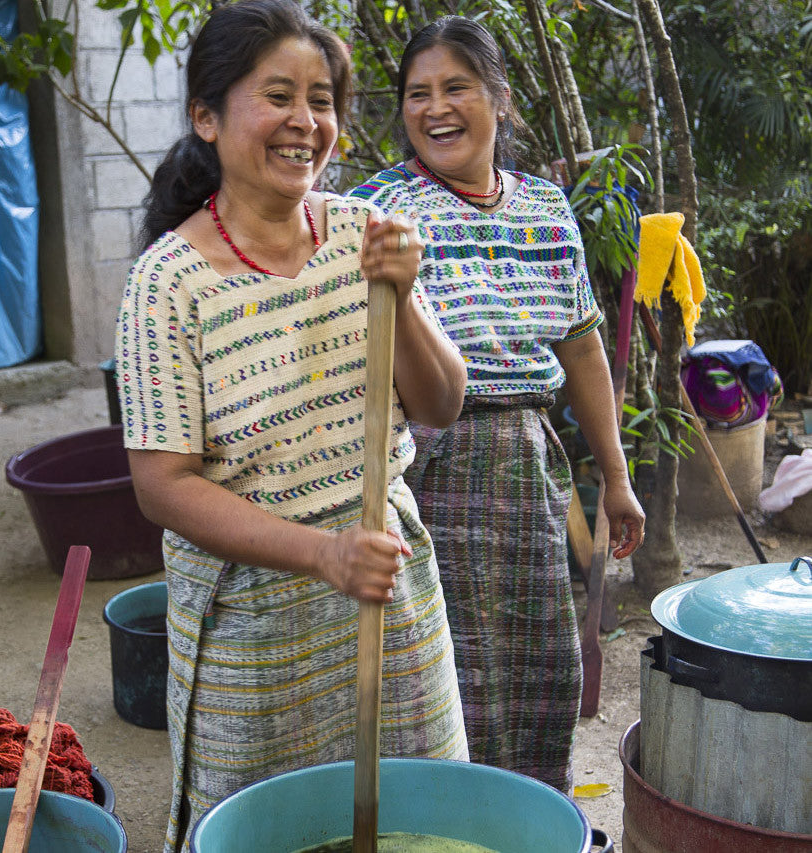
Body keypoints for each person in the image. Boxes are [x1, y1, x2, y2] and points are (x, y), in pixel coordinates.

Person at [115, 2, 469, 849]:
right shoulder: (166, 283)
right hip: (254, 635)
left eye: (323, 99)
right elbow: (161, 484)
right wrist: (321, 553)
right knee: (268, 832)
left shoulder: (366, 236)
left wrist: (404, 298)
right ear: (207, 116)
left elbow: (441, 403)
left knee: (423, 818)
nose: (306, 123)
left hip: (391, 591)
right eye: (278, 95)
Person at [349, 16, 645, 793]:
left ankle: (531, 819)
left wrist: (614, 480)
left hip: (527, 460)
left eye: (456, 88)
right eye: (418, 94)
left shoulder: (545, 210)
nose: (435, 108)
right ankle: (446, 823)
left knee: (542, 661)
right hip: (424, 465)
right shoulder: (375, 210)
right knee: (444, 674)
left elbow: (579, 350)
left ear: (499, 101)